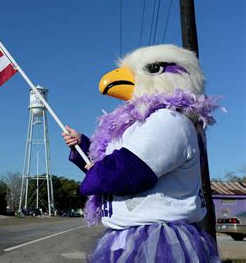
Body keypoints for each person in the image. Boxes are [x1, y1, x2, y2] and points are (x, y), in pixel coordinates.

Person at [63, 45, 220, 262]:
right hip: (129, 237)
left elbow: (129, 170)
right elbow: (108, 163)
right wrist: (82, 145)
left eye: (151, 68)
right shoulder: (140, 125)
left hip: (157, 241)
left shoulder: (170, 120)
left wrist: (95, 175)